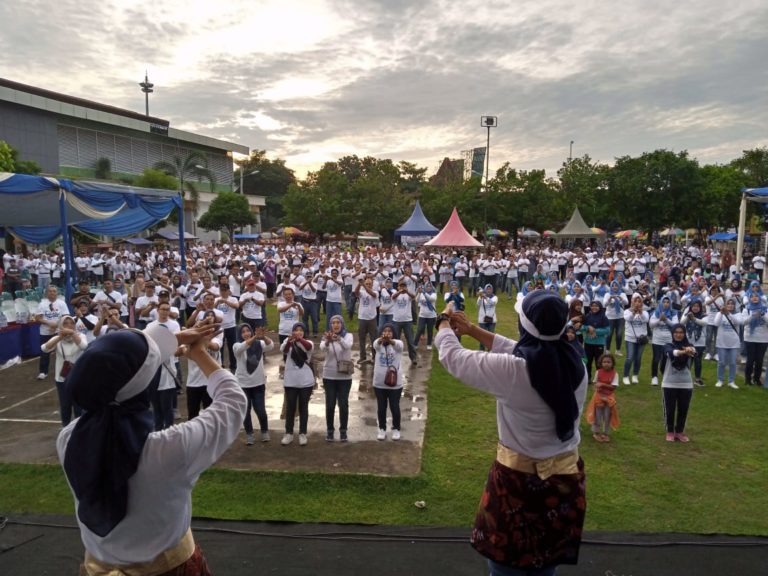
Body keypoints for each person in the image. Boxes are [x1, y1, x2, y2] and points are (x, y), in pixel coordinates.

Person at [56, 321, 246, 574]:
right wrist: (198, 352)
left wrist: (174, 338)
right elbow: (232, 401)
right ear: (144, 387)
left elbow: (111, 372)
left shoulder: (68, 439)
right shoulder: (171, 449)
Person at [435, 290, 587, 575]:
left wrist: (443, 321)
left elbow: (453, 357)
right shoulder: (573, 359)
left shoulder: (515, 373)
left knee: (506, 566)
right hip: (565, 481)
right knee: (546, 563)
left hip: (519, 485)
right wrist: (472, 330)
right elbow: (522, 349)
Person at [42, 315, 88, 426]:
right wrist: (59, 337)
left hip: (78, 377)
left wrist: (72, 333)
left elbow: (83, 346)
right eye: (66, 323)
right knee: (65, 405)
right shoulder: (58, 338)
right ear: (61, 325)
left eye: (71, 323)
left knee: (78, 405)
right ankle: (65, 427)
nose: (69, 325)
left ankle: (80, 428)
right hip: (61, 377)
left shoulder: (80, 335)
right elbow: (44, 348)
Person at [233, 323, 274, 444]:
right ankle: (249, 434)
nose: (246, 333)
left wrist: (263, 337)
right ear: (239, 335)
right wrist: (255, 337)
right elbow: (243, 347)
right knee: (245, 411)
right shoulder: (236, 346)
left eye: (248, 331)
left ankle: (264, 431)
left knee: (261, 411)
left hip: (258, 383)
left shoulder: (259, 344)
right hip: (243, 385)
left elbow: (270, 346)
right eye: (243, 332)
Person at [320, 315, 354, 442]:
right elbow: (323, 348)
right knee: (330, 404)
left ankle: (343, 430)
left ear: (342, 324)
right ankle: (329, 430)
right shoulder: (326, 337)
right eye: (333, 323)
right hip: (329, 376)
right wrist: (328, 341)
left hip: (344, 377)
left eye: (338, 322)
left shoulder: (348, 335)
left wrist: (338, 338)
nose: (335, 325)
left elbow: (347, 346)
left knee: (343, 404)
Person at [280, 322, 314, 446]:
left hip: (306, 381)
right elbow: (284, 350)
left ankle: (302, 433)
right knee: (291, 407)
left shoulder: (308, 343)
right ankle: (288, 433)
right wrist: (290, 341)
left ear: (304, 332)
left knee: (303, 407)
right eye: (296, 330)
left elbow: (308, 348)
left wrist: (299, 339)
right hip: (290, 381)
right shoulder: (287, 342)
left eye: (301, 330)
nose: (298, 332)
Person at [661, 324, 696, 442]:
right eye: (676, 332)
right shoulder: (668, 345)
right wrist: (683, 352)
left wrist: (689, 350)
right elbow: (671, 353)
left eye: (681, 332)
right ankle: (670, 431)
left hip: (686, 383)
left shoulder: (689, 346)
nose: (678, 334)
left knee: (683, 409)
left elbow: (694, 352)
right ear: (672, 333)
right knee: (669, 409)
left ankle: (680, 431)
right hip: (669, 383)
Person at [372, 323, 404, 441]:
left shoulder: (398, 344)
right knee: (381, 407)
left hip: (395, 384)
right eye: (385, 331)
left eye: (390, 331)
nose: (387, 333)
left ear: (394, 333)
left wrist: (390, 341)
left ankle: (396, 428)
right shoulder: (378, 344)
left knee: (394, 406)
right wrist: (382, 340)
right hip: (379, 383)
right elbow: (375, 344)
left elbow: (398, 346)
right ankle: (382, 428)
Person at [34, 285, 71, 380]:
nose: (52, 293)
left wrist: (56, 325)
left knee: (62, 351)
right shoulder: (42, 304)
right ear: (47, 293)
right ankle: (43, 372)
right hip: (45, 332)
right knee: (44, 352)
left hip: (60, 331)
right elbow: (38, 318)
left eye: (54, 291)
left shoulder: (61, 303)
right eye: (50, 291)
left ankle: (65, 370)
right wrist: (49, 323)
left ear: (57, 293)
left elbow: (66, 317)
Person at [585, 353, 620, 443]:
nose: (606, 364)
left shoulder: (615, 374)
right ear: (601, 363)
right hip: (599, 397)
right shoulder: (598, 372)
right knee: (597, 415)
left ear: (612, 363)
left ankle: (605, 433)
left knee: (607, 415)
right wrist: (597, 388)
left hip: (609, 398)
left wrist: (602, 384)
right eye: (604, 362)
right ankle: (596, 432)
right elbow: (595, 383)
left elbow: (613, 387)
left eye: (609, 362)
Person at [649, 296, 679, 386]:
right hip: (657, 339)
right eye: (664, 302)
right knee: (656, 359)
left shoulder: (673, 313)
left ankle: (664, 375)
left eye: (667, 302)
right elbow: (651, 325)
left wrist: (666, 319)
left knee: (666, 359)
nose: (666, 304)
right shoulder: (656, 312)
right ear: (661, 303)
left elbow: (675, 325)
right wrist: (659, 320)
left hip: (669, 340)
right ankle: (654, 377)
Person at [714, 298, 743, 389]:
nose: (730, 305)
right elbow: (716, 323)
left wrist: (728, 313)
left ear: (734, 306)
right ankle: (720, 380)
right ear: (725, 305)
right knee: (721, 362)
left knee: (733, 363)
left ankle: (731, 381)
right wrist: (721, 313)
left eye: (732, 304)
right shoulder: (720, 314)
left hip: (734, 343)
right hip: (721, 342)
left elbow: (737, 322)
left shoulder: (738, 314)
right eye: (728, 304)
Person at [741, 292, 768, 386]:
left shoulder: (765, 309)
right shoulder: (746, 309)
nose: (755, 298)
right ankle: (747, 379)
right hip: (750, 338)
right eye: (752, 296)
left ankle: (757, 379)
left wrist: (763, 314)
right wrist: (752, 315)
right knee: (750, 360)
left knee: (759, 361)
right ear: (749, 299)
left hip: (763, 339)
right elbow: (743, 322)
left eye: (757, 296)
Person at [622, 294, 649, 385]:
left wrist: (640, 312)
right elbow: (628, 319)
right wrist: (633, 312)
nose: (637, 303)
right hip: (630, 338)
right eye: (635, 301)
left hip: (641, 339)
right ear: (632, 302)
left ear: (641, 303)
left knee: (638, 358)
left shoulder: (645, 312)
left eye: (639, 301)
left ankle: (635, 375)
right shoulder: (627, 311)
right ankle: (625, 376)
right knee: (630, 357)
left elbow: (645, 320)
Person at [579, 300, 609, 382]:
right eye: (592, 306)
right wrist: (588, 328)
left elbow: (607, 330)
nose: (594, 308)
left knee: (599, 362)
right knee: (587, 362)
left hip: (599, 343)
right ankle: (587, 378)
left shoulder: (603, 317)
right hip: (588, 342)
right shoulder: (587, 316)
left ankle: (599, 379)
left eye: (596, 306)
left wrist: (594, 331)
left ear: (600, 307)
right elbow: (581, 327)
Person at [681, 299, 707, 386]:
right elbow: (681, 323)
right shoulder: (686, 314)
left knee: (698, 360)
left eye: (697, 306)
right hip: (689, 341)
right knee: (688, 360)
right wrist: (688, 317)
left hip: (700, 342)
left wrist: (694, 318)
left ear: (700, 307)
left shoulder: (704, 315)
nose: (695, 308)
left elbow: (704, 323)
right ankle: (685, 378)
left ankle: (697, 379)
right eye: (693, 306)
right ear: (691, 307)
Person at [477, 283, 498, 351]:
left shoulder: (495, 297)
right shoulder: (481, 297)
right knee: (482, 336)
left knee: (491, 337)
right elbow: (478, 304)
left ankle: (490, 351)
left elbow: (492, 303)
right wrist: (480, 297)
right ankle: (481, 351)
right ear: (485, 290)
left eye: (490, 289)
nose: (488, 290)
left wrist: (485, 297)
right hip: (482, 320)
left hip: (492, 320)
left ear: (492, 290)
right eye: (487, 289)